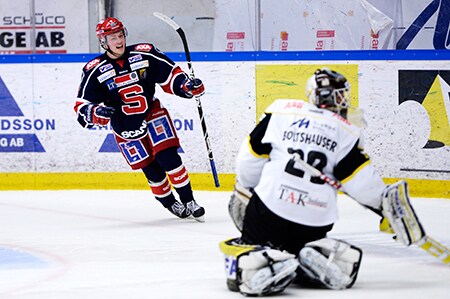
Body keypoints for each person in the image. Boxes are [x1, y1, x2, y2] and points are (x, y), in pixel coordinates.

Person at [220, 68, 425, 296]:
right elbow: (363, 185)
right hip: (314, 223)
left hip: (269, 213)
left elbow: (247, 163)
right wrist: (386, 209)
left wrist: (249, 189)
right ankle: (308, 255)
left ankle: (261, 259)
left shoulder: (280, 114)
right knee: (304, 238)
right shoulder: (347, 131)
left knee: (248, 232)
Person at [74, 17, 206, 222]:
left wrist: (187, 86)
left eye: (120, 35)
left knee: (168, 157)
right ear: (103, 42)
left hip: (152, 113)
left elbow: (171, 75)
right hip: (124, 124)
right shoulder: (94, 69)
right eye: (112, 38)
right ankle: (170, 203)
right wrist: (95, 113)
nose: (118, 41)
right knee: (151, 169)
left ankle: (189, 200)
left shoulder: (145, 53)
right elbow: (82, 105)